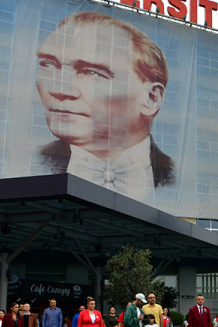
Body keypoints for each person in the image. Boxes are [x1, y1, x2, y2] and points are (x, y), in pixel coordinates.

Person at [35, 12, 174, 198]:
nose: (59, 89)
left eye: (92, 73)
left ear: (151, 98)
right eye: (48, 64)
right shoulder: (33, 162)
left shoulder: (176, 176)